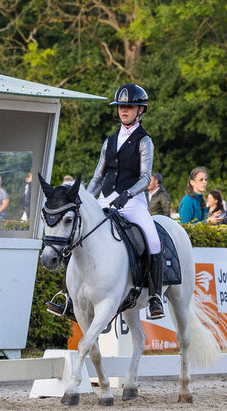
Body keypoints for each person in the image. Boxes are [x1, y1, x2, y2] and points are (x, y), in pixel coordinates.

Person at [50, 82, 166, 320]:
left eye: (130, 106)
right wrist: (83, 196)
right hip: (105, 199)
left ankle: (154, 296)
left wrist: (127, 195)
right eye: (121, 106)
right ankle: (69, 297)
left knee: (153, 240)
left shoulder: (145, 141)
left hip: (133, 202)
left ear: (140, 110)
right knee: (78, 233)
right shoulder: (109, 141)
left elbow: (145, 178)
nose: (124, 110)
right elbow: (98, 175)